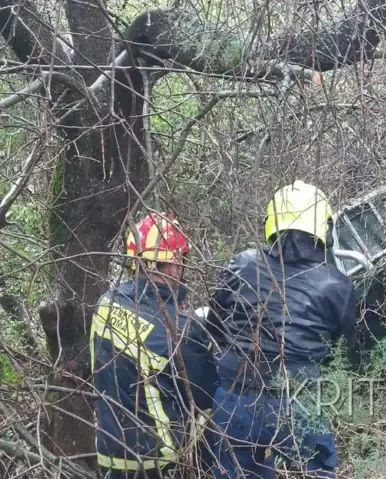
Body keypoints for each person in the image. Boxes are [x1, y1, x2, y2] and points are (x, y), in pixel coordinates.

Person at [205, 181, 358, 479]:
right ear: (323, 227)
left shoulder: (242, 264)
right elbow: (348, 355)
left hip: (236, 396)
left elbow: (215, 326)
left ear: (272, 223)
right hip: (298, 401)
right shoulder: (336, 285)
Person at [90, 212, 219, 478]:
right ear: (173, 266)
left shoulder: (106, 302)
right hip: (157, 462)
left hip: (109, 452)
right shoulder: (178, 329)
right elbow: (207, 392)